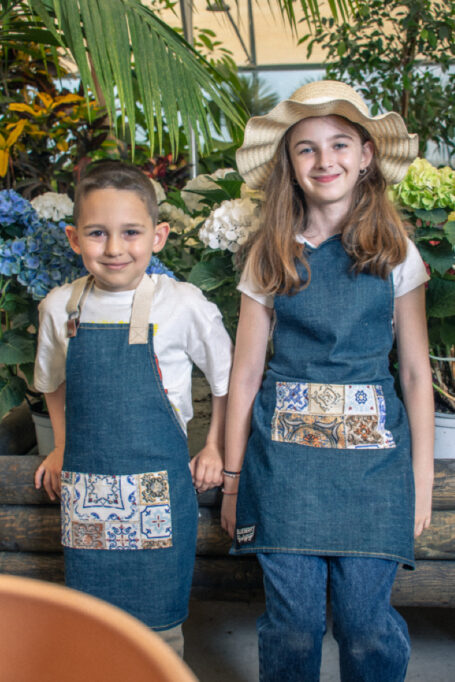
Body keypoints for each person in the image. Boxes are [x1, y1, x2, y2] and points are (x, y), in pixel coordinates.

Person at [221, 80, 434, 682]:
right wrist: (235, 480)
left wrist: (419, 478)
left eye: (340, 143)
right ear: (288, 163)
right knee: (293, 625)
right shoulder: (270, 252)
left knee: (365, 626)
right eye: (306, 148)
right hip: (284, 470)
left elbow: (416, 373)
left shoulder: (398, 254)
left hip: (374, 474)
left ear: (366, 155)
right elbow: (244, 376)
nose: (325, 160)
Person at [34, 160, 232, 656]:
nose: (115, 248)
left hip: (158, 496)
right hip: (89, 497)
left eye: (131, 233)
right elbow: (51, 385)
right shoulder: (60, 307)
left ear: (159, 235)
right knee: (92, 629)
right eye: (97, 234)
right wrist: (61, 445)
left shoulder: (184, 304)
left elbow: (229, 382)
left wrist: (214, 447)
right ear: (74, 238)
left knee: (159, 634)